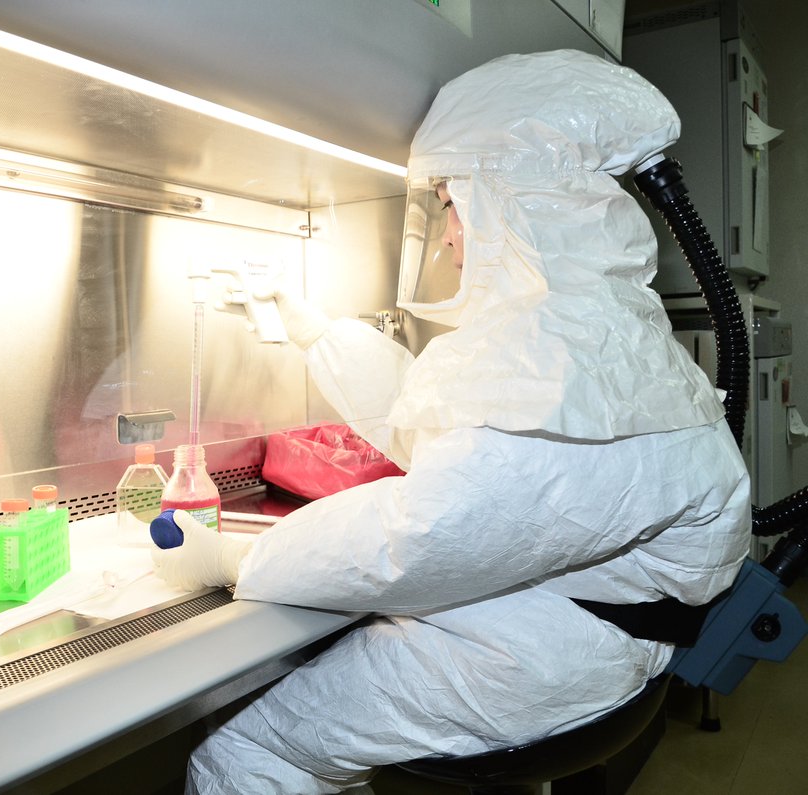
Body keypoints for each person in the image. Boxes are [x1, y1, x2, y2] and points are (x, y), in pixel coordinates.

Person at [150, 49, 751, 794]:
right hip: (583, 637)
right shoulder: (595, 334)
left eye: (450, 204)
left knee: (248, 749)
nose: (445, 236)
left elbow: (421, 535)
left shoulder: (562, 351)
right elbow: (442, 423)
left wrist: (238, 561)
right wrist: (315, 331)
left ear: (510, 203)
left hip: (539, 661)